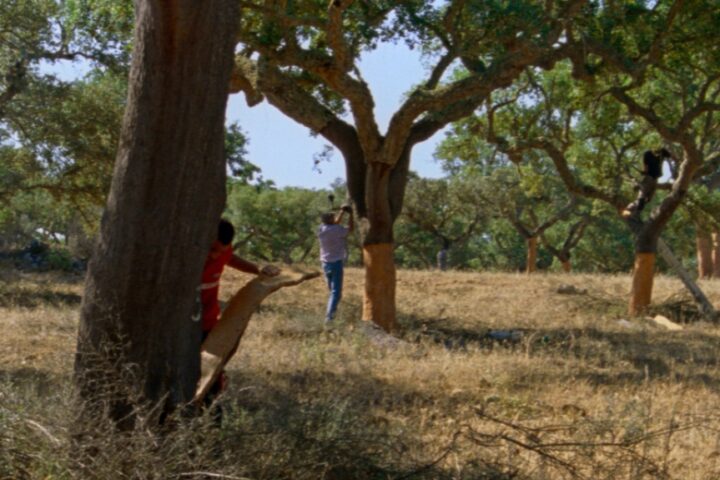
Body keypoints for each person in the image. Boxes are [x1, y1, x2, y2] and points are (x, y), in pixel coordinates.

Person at [197, 219, 279, 412]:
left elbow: (230, 258)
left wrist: (257, 268)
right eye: (212, 249)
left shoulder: (221, 253)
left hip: (209, 324)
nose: (215, 255)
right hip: (183, 327)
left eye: (220, 251)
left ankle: (211, 419)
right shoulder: (189, 257)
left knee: (211, 378)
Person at [317, 204, 353, 325]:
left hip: (325, 264)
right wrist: (351, 215)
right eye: (333, 217)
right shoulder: (337, 230)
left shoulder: (321, 229)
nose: (335, 218)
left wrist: (342, 212)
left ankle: (332, 313)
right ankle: (329, 319)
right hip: (336, 264)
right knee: (336, 293)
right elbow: (350, 229)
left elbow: (335, 223)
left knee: (332, 291)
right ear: (331, 220)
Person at [621, 148, 671, 218]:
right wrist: (645, 172)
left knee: (644, 199)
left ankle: (630, 211)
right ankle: (632, 213)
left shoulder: (655, 156)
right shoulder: (652, 155)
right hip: (651, 180)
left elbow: (646, 168)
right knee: (643, 199)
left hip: (652, 180)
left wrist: (644, 172)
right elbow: (646, 167)